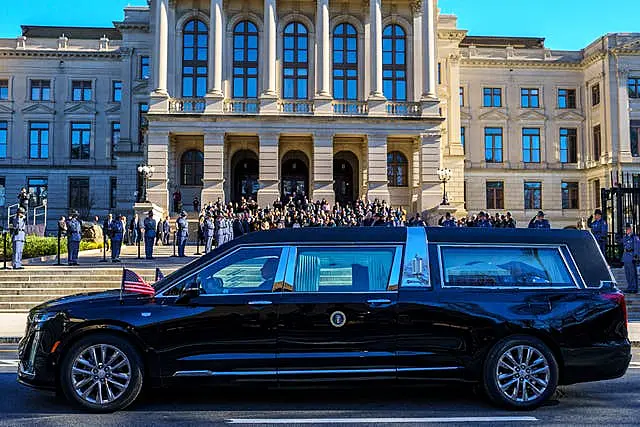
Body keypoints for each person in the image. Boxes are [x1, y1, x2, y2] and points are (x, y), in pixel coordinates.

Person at [621, 223, 640, 294]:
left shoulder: (634, 237)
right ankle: (629, 287)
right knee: (627, 273)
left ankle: (634, 288)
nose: (627, 230)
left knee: (632, 273)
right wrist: (617, 237)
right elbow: (620, 241)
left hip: (631, 256)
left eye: (628, 229)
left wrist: (636, 256)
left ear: (631, 229)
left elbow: (637, 247)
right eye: (626, 229)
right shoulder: (625, 237)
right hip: (626, 257)